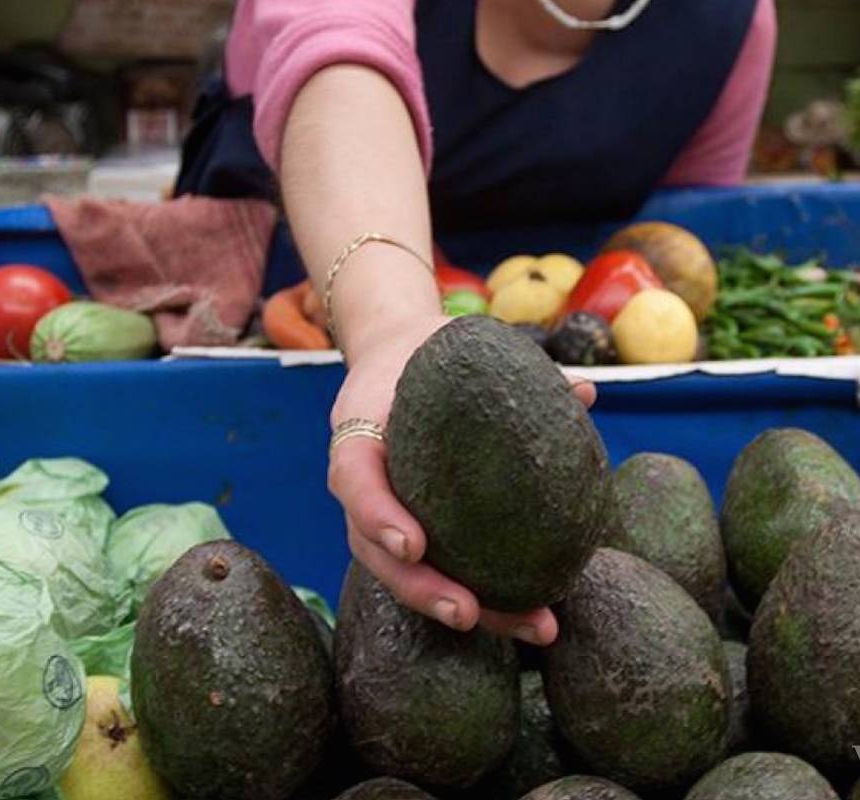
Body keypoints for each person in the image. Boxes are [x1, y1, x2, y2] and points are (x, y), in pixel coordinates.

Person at [176, 0, 776, 646]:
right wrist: (393, 327)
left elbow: (664, 245)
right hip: (295, 349)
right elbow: (338, 56)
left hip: (544, 405)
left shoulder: (728, 25)